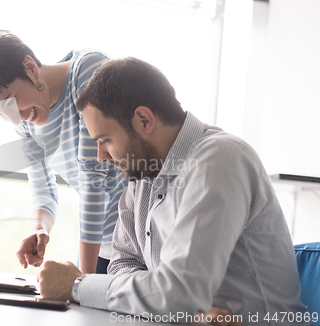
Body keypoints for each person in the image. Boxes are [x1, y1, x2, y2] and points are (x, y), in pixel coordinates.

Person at [38, 57, 310, 325]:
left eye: (105, 140)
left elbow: (178, 294)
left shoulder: (220, 158)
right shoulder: (143, 175)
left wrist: (77, 285)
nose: (101, 156)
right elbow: (123, 263)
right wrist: (186, 310)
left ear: (144, 120)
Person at [0, 30, 127, 274]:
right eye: (0, 114)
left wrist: (85, 280)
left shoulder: (89, 71)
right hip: (104, 245)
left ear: (30, 67)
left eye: (10, 101)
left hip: (143, 237)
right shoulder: (25, 124)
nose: (14, 119)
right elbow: (43, 188)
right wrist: (39, 228)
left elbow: (93, 179)